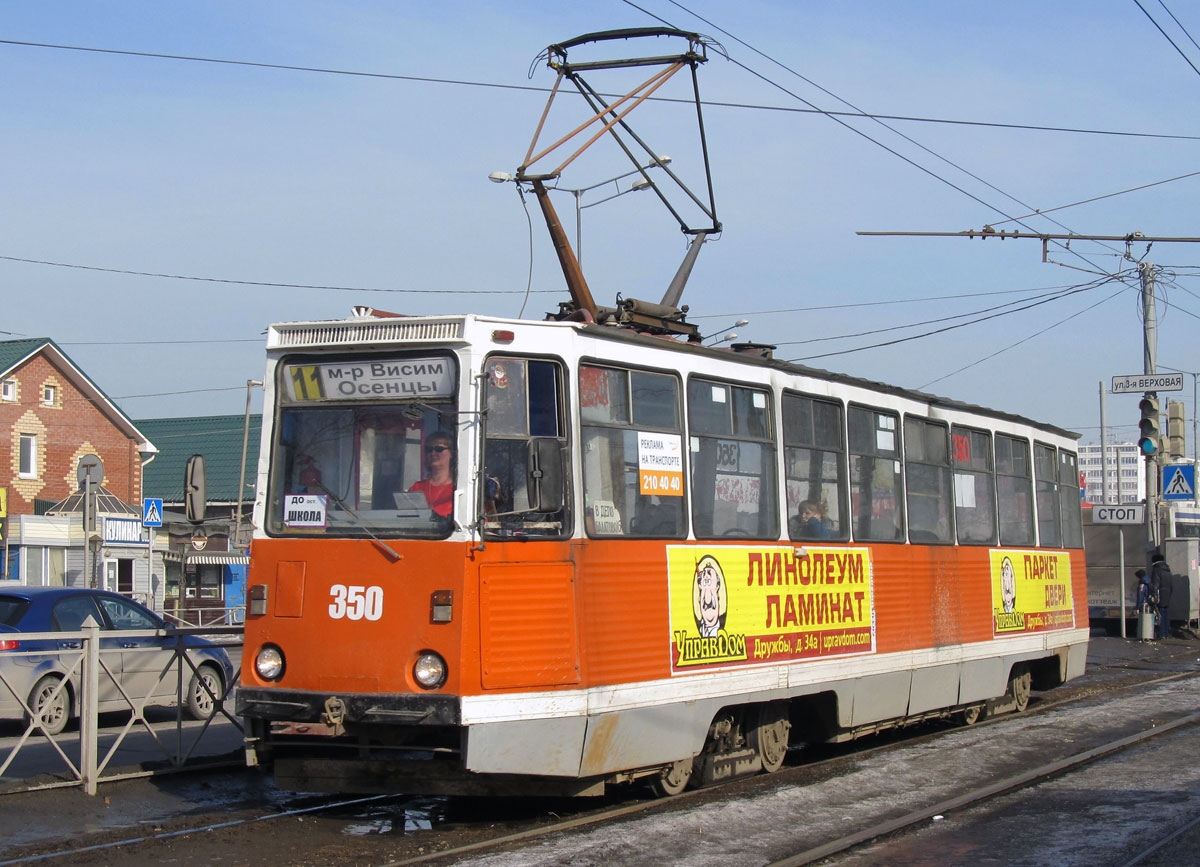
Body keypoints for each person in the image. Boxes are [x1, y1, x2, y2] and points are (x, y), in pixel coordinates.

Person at [409, 431, 454, 517]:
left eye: (439, 449)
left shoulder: (459, 488)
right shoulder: (417, 487)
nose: (433, 453)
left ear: (451, 453)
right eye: (429, 450)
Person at [1150, 552, 1174, 640]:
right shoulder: (1167, 570)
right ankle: (1165, 633)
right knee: (1165, 615)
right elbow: (1171, 586)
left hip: (1159, 596)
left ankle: (1161, 633)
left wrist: (1154, 597)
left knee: (1159, 616)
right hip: (1166, 596)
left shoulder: (1156, 570)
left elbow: (1155, 585)